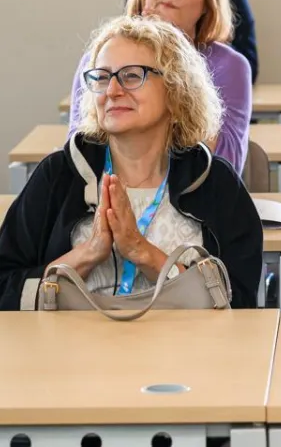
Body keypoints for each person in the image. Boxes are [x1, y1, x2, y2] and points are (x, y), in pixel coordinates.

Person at [0, 16, 263, 310]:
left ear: (176, 92)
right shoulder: (60, 175)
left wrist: (143, 252)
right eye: (101, 77)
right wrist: (88, 253)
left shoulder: (214, 181)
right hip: (73, 351)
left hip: (185, 351)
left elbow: (240, 305)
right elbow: (5, 286)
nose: (112, 90)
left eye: (132, 75)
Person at [69, 0, 252, 173]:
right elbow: (79, 154)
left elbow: (227, 164)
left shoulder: (231, 65)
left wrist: (171, 48)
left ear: (208, 3)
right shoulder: (102, 57)